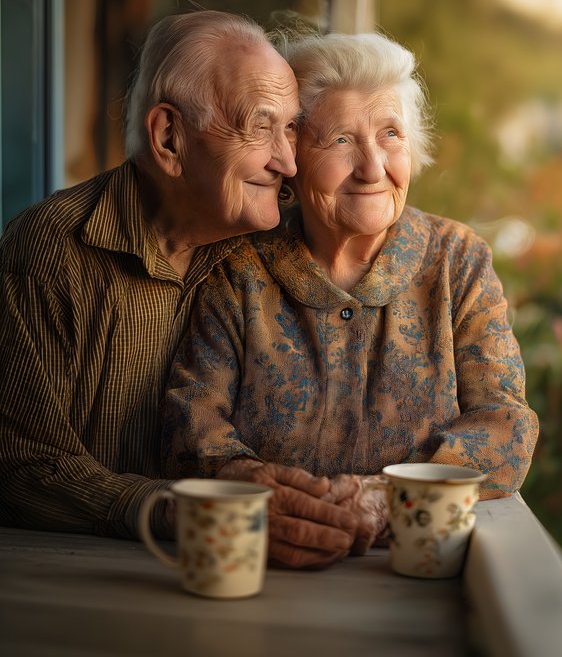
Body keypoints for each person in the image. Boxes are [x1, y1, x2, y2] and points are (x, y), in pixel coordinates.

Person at [162, 31, 539, 568]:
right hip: (265, 569)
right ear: (291, 154)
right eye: (340, 140)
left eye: (390, 134)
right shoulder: (239, 267)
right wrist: (263, 495)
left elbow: (507, 425)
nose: (372, 166)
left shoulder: (457, 261)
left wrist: (386, 497)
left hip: (420, 573)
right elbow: (189, 424)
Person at [0, 9, 327, 543]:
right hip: (75, 578)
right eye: (260, 126)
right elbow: (18, 466)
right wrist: (170, 510)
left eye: (290, 127)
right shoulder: (49, 253)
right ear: (170, 137)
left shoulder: (268, 246)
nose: (287, 162)